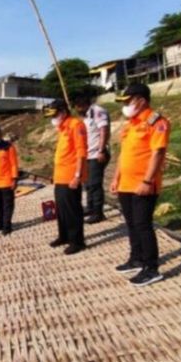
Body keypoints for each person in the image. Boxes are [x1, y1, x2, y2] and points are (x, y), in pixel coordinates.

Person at [111, 83, 170, 287]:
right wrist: (115, 178)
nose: (125, 105)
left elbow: (158, 152)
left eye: (128, 101)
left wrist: (147, 181)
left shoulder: (156, 122)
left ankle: (151, 268)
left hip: (143, 184)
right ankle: (136, 258)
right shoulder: (131, 124)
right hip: (125, 184)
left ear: (141, 100)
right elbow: (123, 153)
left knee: (143, 225)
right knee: (131, 224)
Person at [45, 99, 88, 255]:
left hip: (71, 177)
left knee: (72, 210)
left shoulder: (75, 125)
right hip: (60, 177)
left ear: (63, 112)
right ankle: (64, 236)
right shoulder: (62, 128)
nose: (53, 118)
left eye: (55, 114)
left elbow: (81, 152)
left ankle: (77, 241)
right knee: (61, 210)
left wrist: (77, 176)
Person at [75, 93, 110, 224]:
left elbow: (103, 131)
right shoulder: (85, 116)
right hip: (88, 155)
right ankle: (90, 208)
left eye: (78, 108)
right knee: (87, 184)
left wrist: (101, 150)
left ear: (82, 105)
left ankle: (98, 213)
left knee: (95, 184)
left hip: (97, 154)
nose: (77, 110)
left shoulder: (98, 111)